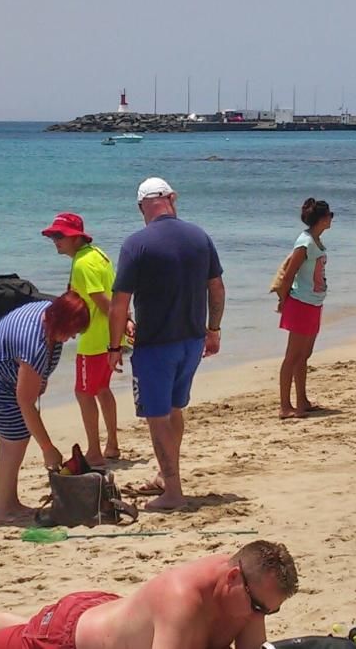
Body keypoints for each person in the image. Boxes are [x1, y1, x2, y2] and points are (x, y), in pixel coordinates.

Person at [0, 540, 299, 649]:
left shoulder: (250, 590)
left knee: (17, 622)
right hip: (66, 638)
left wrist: (257, 616)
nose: (260, 615)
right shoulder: (183, 600)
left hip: (103, 611)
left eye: (268, 610)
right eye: (259, 607)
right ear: (234, 579)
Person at [108, 177, 225, 511]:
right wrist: (213, 329)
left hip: (156, 345)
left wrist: (113, 347)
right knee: (174, 410)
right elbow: (216, 288)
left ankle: (173, 491)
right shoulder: (199, 236)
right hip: (191, 341)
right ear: (171, 199)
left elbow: (119, 304)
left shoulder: (137, 244)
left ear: (141, 206)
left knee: (157, 417)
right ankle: (165, 475)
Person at [0, 291, 90, 521]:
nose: (71, 338)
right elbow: (26, 402)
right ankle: (3, 508)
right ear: (62, 322)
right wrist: (48, 448)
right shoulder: (34, 344)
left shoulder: (47, 313)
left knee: (16, 434)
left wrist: (39, 380)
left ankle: (10, 502)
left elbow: (32, 385)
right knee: (15, 437)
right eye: (72, 332)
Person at [41, 213, 120, 466]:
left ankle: (95, 451)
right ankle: (112, 445)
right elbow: (115, 292)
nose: (56, 240)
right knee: (102, 389)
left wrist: (124, 324)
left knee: (83, 393)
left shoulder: (82, 264)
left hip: (93, 340)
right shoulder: (98, 254)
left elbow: (102, 301)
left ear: (76, 237)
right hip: (106, 337)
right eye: (53, 236)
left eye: (60, 236)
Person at [275, 198, 332, 419]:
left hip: (314, 303)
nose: (332, 219)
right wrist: (283, 300)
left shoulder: (315, 241)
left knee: (304, 355)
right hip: (301, 304)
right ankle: (284, 405)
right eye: (330, 215)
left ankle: (302, 400)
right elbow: (289, 275)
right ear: (322, 219)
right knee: (293, 356)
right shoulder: (305, 243)